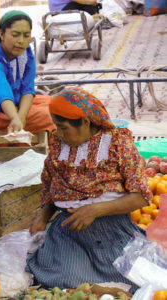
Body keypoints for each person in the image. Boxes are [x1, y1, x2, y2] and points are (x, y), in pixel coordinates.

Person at [26, 87, 152, 293]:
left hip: (111, 232)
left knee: (137, 282)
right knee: (63, 280)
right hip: (69, 233)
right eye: (56, 127)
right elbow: (52, 187)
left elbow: (141, 197)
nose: (59, 133)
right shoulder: (60, 144)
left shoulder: (118, 143)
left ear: (85, 122)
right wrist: (42, 217)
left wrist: (94, 210)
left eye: (64, 128)